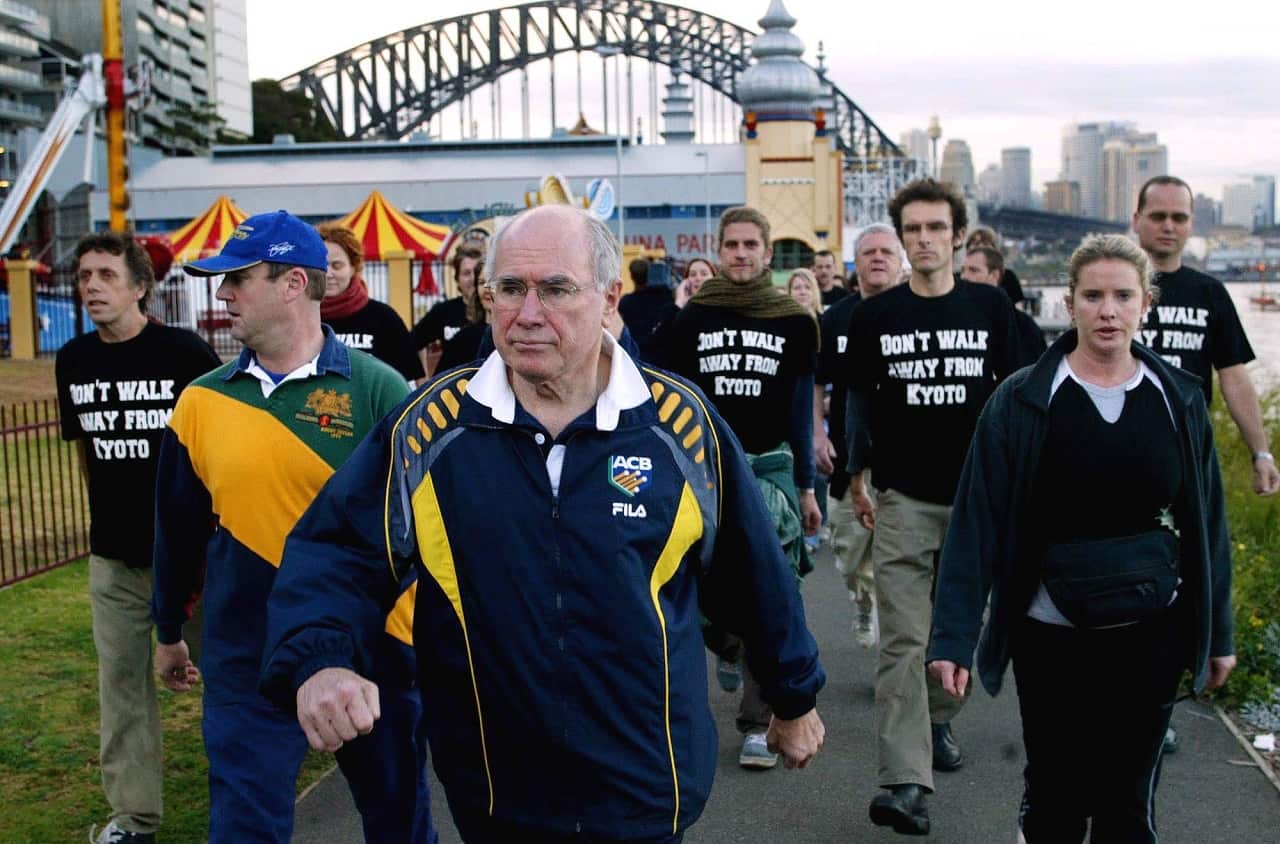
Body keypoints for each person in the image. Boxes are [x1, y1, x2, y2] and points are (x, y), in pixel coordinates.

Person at [258, 204, 826, 842]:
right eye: (509, 290)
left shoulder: (679, 426)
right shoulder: (430, 429)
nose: (528, 314)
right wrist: (322, 660)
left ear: (610, 297)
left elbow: (754, 576)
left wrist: (793, 695)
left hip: (646, 786)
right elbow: (337, 555)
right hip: (495, 792)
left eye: (555, 289)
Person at [928, 233, 1235, 843]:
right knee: (1056, 798)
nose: (1108, 310)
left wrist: (1217, 635)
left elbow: (1210, 525)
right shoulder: (1021, 401)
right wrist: (953, 638)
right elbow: (975, 524)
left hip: (1152, 631)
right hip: (1052, 635)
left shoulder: (1180, 399)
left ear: (1146, 303)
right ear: (1069, 305)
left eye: (1123, 296)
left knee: (1129, 804)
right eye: (1093, 296)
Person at [149, 211, 434, 844]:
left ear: (293, 284)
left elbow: (423, 529)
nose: (222, 295)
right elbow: (177, 532)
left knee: (399, 823)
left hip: (371, 652)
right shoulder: (200, 402)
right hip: (244, 654)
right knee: (245, 828)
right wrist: (168, 629)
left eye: (237, 279)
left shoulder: (378, 389)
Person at [844, 179, 1021, 835]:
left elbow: (1023, 394)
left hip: (977, 504)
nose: (923, 239)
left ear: (956, 235)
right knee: (904, 642)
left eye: (935, 228)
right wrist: (855, 477)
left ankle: (939, 725)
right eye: (911, 229)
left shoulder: (992, 309)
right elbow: (858, 399)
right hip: (904, 501)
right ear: (901, 236)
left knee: (959, 635)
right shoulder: (874, 316)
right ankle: (904, 781)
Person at [55, 232, 221, 844]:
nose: (91, 287)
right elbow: (86, 456)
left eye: (104, 275)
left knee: (227, 679)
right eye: (83, 277)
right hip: (115, 560)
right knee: (122, 688)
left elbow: (219, 448)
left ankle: (244, 793)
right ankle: (134, 819)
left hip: (194, 556)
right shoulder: (73, 359)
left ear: (140, 286)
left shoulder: (185, 354)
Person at [660, 206, 822, 771]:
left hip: (771, 469)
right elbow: (670, 398)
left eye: (752, 244)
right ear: (720, 249)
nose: (741, 253)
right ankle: (728, 643)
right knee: (699, 591)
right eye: (731, 244)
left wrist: (806, 487)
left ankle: (756, 723)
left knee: (772, 587)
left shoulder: (795, 320)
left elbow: (801, 411)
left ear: (768, 252)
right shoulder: (693, 319)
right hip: (704, 469)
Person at [1133, 175, 1279, 498]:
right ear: (1136, 220)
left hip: (1188, 450)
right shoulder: (1113, 288)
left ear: (1190, 225)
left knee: (1198, 546)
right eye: (1158, 216)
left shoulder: (1209, 292)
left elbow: (1234, 376)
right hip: (1115, 445)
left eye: (1179, 218)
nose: (1169, 226)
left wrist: (1261, 453)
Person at [814, 223, 904, 650]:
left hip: (903, 461)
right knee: (850, 555)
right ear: (856, 263)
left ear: (900, 261)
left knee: (900, 561)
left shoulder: (915, 311)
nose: (878, 258)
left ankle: (894, 636)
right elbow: (819, 382)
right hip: (848, 457)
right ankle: (863, 599)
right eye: (869, 252)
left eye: (887, 251)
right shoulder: (837, 317)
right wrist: (817, 432)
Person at [317, 223, 425, 384]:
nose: (328, 274)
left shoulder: (383, 317)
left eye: (337, 265)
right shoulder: (300, 318)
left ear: (354, 267)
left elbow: (413, 379)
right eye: (321, 265)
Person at [961, 246, 1047, 365]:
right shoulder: (955, 318)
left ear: (995, 275)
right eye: (963, 270)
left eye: (973, 270)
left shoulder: (1023, 326)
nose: (964, 277)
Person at [410, 245, 484, 377]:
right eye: (466, 273)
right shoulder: (444, 311)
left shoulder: (492, 313)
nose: (473, 278)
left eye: (477, 273)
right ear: (457, 279)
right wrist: (422, 379)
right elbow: (413, 342)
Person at [618, 256, 675, 360]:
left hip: (635, 357)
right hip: (661, 357)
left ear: (631, 276)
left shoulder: (625, 302)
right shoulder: (666, 298)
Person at [965, 226, 1025, 306]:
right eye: (976, 243)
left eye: (985, 243)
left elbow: (1018, 307)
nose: (980, 246)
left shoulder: (1008, 276)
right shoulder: (959, 278)